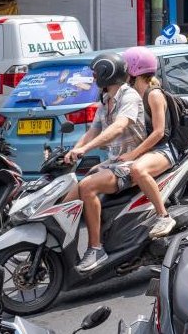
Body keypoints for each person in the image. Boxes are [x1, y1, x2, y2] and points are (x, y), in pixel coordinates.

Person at [62, 53, 149, 272]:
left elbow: (118, 127)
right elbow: (94, 130)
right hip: (114, 161)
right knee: (68, 195)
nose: (92, 78)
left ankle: (96, 248)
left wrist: (85, 149)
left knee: (87, 186)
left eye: (94, 73)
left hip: (131, 162)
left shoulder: (128, 97)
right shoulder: (106, 99)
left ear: (105, 74)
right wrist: (75, 150)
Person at [123, 46, 179, 238]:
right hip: (147, 150)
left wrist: (133, 154)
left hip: (164, 150)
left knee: (138, 170)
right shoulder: (133, 94)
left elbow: (158, 132)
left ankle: (163, 215)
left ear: (134, 70)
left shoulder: (153, 94)